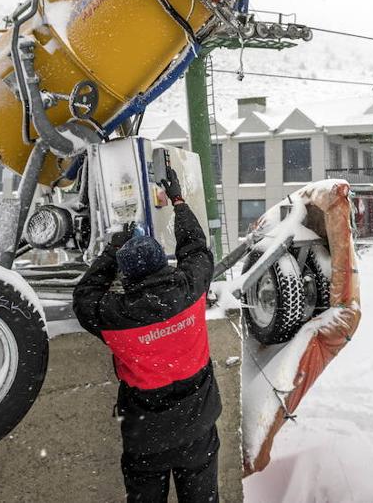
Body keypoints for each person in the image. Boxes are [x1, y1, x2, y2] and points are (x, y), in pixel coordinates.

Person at [73, 162, 221, 503]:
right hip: (198, 427)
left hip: (146, 437)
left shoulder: (117, 317)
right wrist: (178, 201)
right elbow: (196, 249)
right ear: (163, 264)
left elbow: (84, 297)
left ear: (128, 279)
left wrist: (112, 251)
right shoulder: (190, 289)